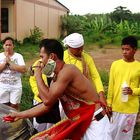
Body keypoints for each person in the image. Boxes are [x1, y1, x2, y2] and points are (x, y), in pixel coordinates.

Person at [4, 38, 110, 140]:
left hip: (95, 121)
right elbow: (46, 106)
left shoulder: (67, 71)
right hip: (82, 122)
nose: (41, 62)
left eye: (42, 57)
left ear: (52, 56)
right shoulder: (56, 78)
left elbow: (47, 100)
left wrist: (37, 75)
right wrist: (19, 115)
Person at [107, 36, 140, 140]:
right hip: (116, 107)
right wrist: (109, 104)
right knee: (109, 135)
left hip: (130, 109)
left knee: (124, 137)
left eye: (127, 49)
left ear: (135, 50)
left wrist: (133, 91)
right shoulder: (115, 65)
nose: (124, 52)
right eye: (123, 49)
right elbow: (111, 85)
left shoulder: (138, 67)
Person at [63, 33, 107, 107]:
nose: (81, 51)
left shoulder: (87, 58)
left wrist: (101, 95)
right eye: (77, 49)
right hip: (66, 98)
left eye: (82, 48)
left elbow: (95, 77)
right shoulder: (62, 57)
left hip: (84, 96)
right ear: (69, 47)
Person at [29, 58, 61, 132]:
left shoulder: (58, 64)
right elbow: (32, 80)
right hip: (39, 101)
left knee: (53, 127)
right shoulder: (37, 64)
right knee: (38, 126)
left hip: (55, 102)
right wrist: (38, 93)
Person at [0, 37, 26, 110]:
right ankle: (4, 120)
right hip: (2, 86)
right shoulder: (0, 56)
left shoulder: (18, 56)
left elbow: (23, 69)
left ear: (13, 46)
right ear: (3, 46)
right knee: (3, 106)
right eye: (6, 45)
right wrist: (5, 63)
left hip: (15, 86)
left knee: (14, 106)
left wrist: (10, 62)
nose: (8, 47)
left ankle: (14, 120)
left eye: (10, 45)